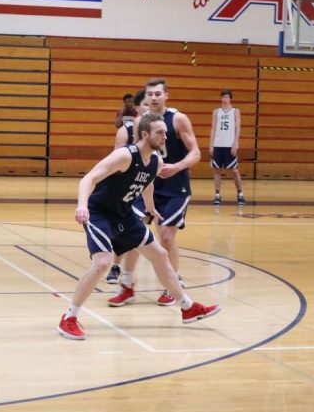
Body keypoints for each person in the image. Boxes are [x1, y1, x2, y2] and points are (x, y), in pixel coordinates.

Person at [57, 113, 220, 340]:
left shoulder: (156, 160)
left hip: (124, 216)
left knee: (160, 255)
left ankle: (187, 306)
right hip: (100, 214)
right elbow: (88, 179)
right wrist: (82, 206)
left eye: (166, 132)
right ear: (145, 134)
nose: (165, 136)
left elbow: (147, 182)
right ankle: (69, 318)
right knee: (103, 262)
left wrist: (151, 208)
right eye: (160, 133)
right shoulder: (124, 155)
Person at [108, 78, 199, 308]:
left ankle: (171, 287)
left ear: (166, 95)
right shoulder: (140, 123)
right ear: (145, 98)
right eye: (150, 94)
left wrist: (176, 166)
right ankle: (127, 286)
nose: (154, 98)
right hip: (146, 185)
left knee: (166, 237)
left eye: (158, 93)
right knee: (133, 235)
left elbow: (196, 153)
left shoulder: (178, 119)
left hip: (174, 187)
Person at [107, 90, 148, 284]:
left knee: (163, 235)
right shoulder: (126, 130)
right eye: (146, 104)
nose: (151, 107)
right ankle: (117, 267)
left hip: (153, 183)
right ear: (139, 108)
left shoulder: (162, 127)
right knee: (131, 228)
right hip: (133, 185)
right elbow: (115, 162)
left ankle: (171, 272)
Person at [209, 89, 245, 206]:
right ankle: (217, 195)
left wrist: (236, 142)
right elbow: (213, 129)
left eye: (227, 97)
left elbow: (238, 128)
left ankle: (240, 194)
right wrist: (211, 145)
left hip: (229, 145)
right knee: (217, 170)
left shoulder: (235, 111)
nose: (225, 99)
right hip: (218, 144)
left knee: (234, 170)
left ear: (230, 99)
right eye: (223, 97)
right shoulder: (216, 112)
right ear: (221, 98)